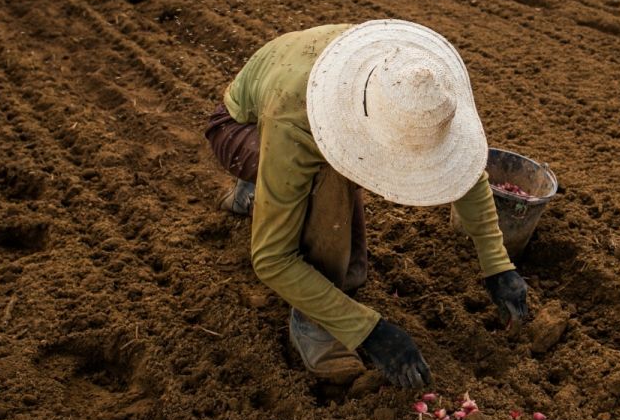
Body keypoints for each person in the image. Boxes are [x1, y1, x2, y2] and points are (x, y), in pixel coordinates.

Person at [204, 20, 530, 388]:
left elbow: (463, 166)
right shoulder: (298, 123)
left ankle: (262, 189)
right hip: (238, 127)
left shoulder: (410, 75)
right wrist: (371, 333)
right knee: (328, 180)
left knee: (335, 201)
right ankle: (311, 323)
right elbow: (270, 258)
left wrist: (497, 264)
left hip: (283, 108)